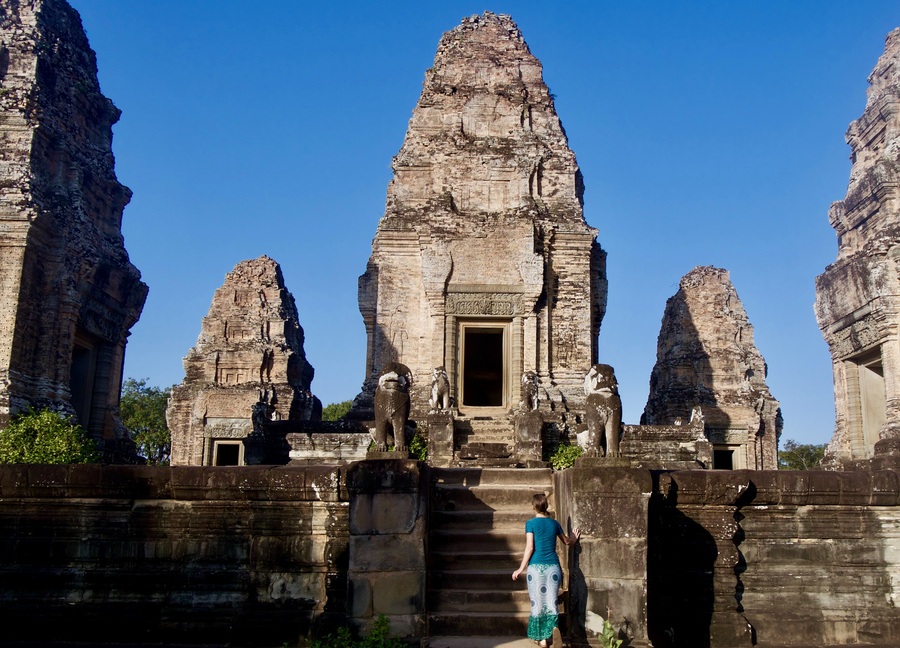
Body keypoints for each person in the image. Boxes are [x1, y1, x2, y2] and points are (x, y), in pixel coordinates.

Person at [512, 493, 581, 647]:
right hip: (553, 569)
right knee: (551, 602)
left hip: (536, 568)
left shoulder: (530, 523)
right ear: (546, 506)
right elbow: (567, 542)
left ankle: (542, 638)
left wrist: (520, 568)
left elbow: (530, 548)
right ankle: (553, 628)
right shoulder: (554, 524)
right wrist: (574, 539)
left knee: (537, 604)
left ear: (533, 506)